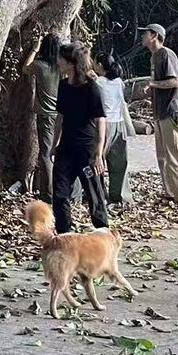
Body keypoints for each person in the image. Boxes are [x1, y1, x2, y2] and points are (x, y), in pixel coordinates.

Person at [52, 42, 109, 234]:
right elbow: (60, 116)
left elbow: (100, 119)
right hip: (66, 149)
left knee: (94, 194)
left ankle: (103, 235)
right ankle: (64, 234)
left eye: (61, 59)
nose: (57, 62)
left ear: (71, 63)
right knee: (60, 194)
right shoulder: (62, 86)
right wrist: (55, 143)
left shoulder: (91, 88)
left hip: (87, 150)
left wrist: (98, 152)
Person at [139, 23, 178, 206]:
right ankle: (171, 192)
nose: (142, 37)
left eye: (145, 33)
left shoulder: (167, 55)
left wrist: (153, 85)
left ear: (154, 36)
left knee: (175, 155)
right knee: (162, 156)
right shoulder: (154, 57)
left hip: (172, 112)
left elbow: (173, 82)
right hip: (160, 113)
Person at [23, 33, 62, 201]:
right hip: (62, 114)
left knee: (46, 155)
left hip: (46, 116)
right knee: (59, 152)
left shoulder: (40, 66)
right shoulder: (62, 66)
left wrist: (34, 48)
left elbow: (26, 68)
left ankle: (49, 194)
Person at [94, 51, 135, 206]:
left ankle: (99, 194)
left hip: (103, 124)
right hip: (119, 123)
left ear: (99, 65)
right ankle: (121, 195)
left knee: (97, 160)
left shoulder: (98, 83)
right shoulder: (118, 81)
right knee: (119, 162)